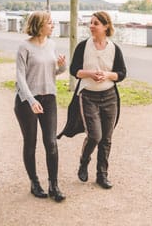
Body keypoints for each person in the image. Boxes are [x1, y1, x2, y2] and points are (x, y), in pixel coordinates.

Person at [58, 11, 127, 189]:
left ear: (105, 26)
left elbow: (121, 74)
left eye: (95, 23)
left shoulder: (114, 48)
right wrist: (90, 74)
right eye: (91, 23)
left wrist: (107, 75)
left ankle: (102, 175)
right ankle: (84, 160)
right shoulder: (83, 46)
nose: (91, 26)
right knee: (95, 135)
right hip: (88, 96)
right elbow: (75, 71)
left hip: (109, 97)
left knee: (107, 138)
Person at [14, 11, 67, 202]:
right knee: (30, 143)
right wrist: (31, 100)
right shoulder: (24, 46)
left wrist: (62, 66)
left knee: (51, 142)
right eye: (49, 23)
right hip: (27, 101)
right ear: (39, 25)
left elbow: (54, 72)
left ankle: (54, 185)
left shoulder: (51, 44)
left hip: (49, 98)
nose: (52, 26)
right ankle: (34, 182)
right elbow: (20, 77)